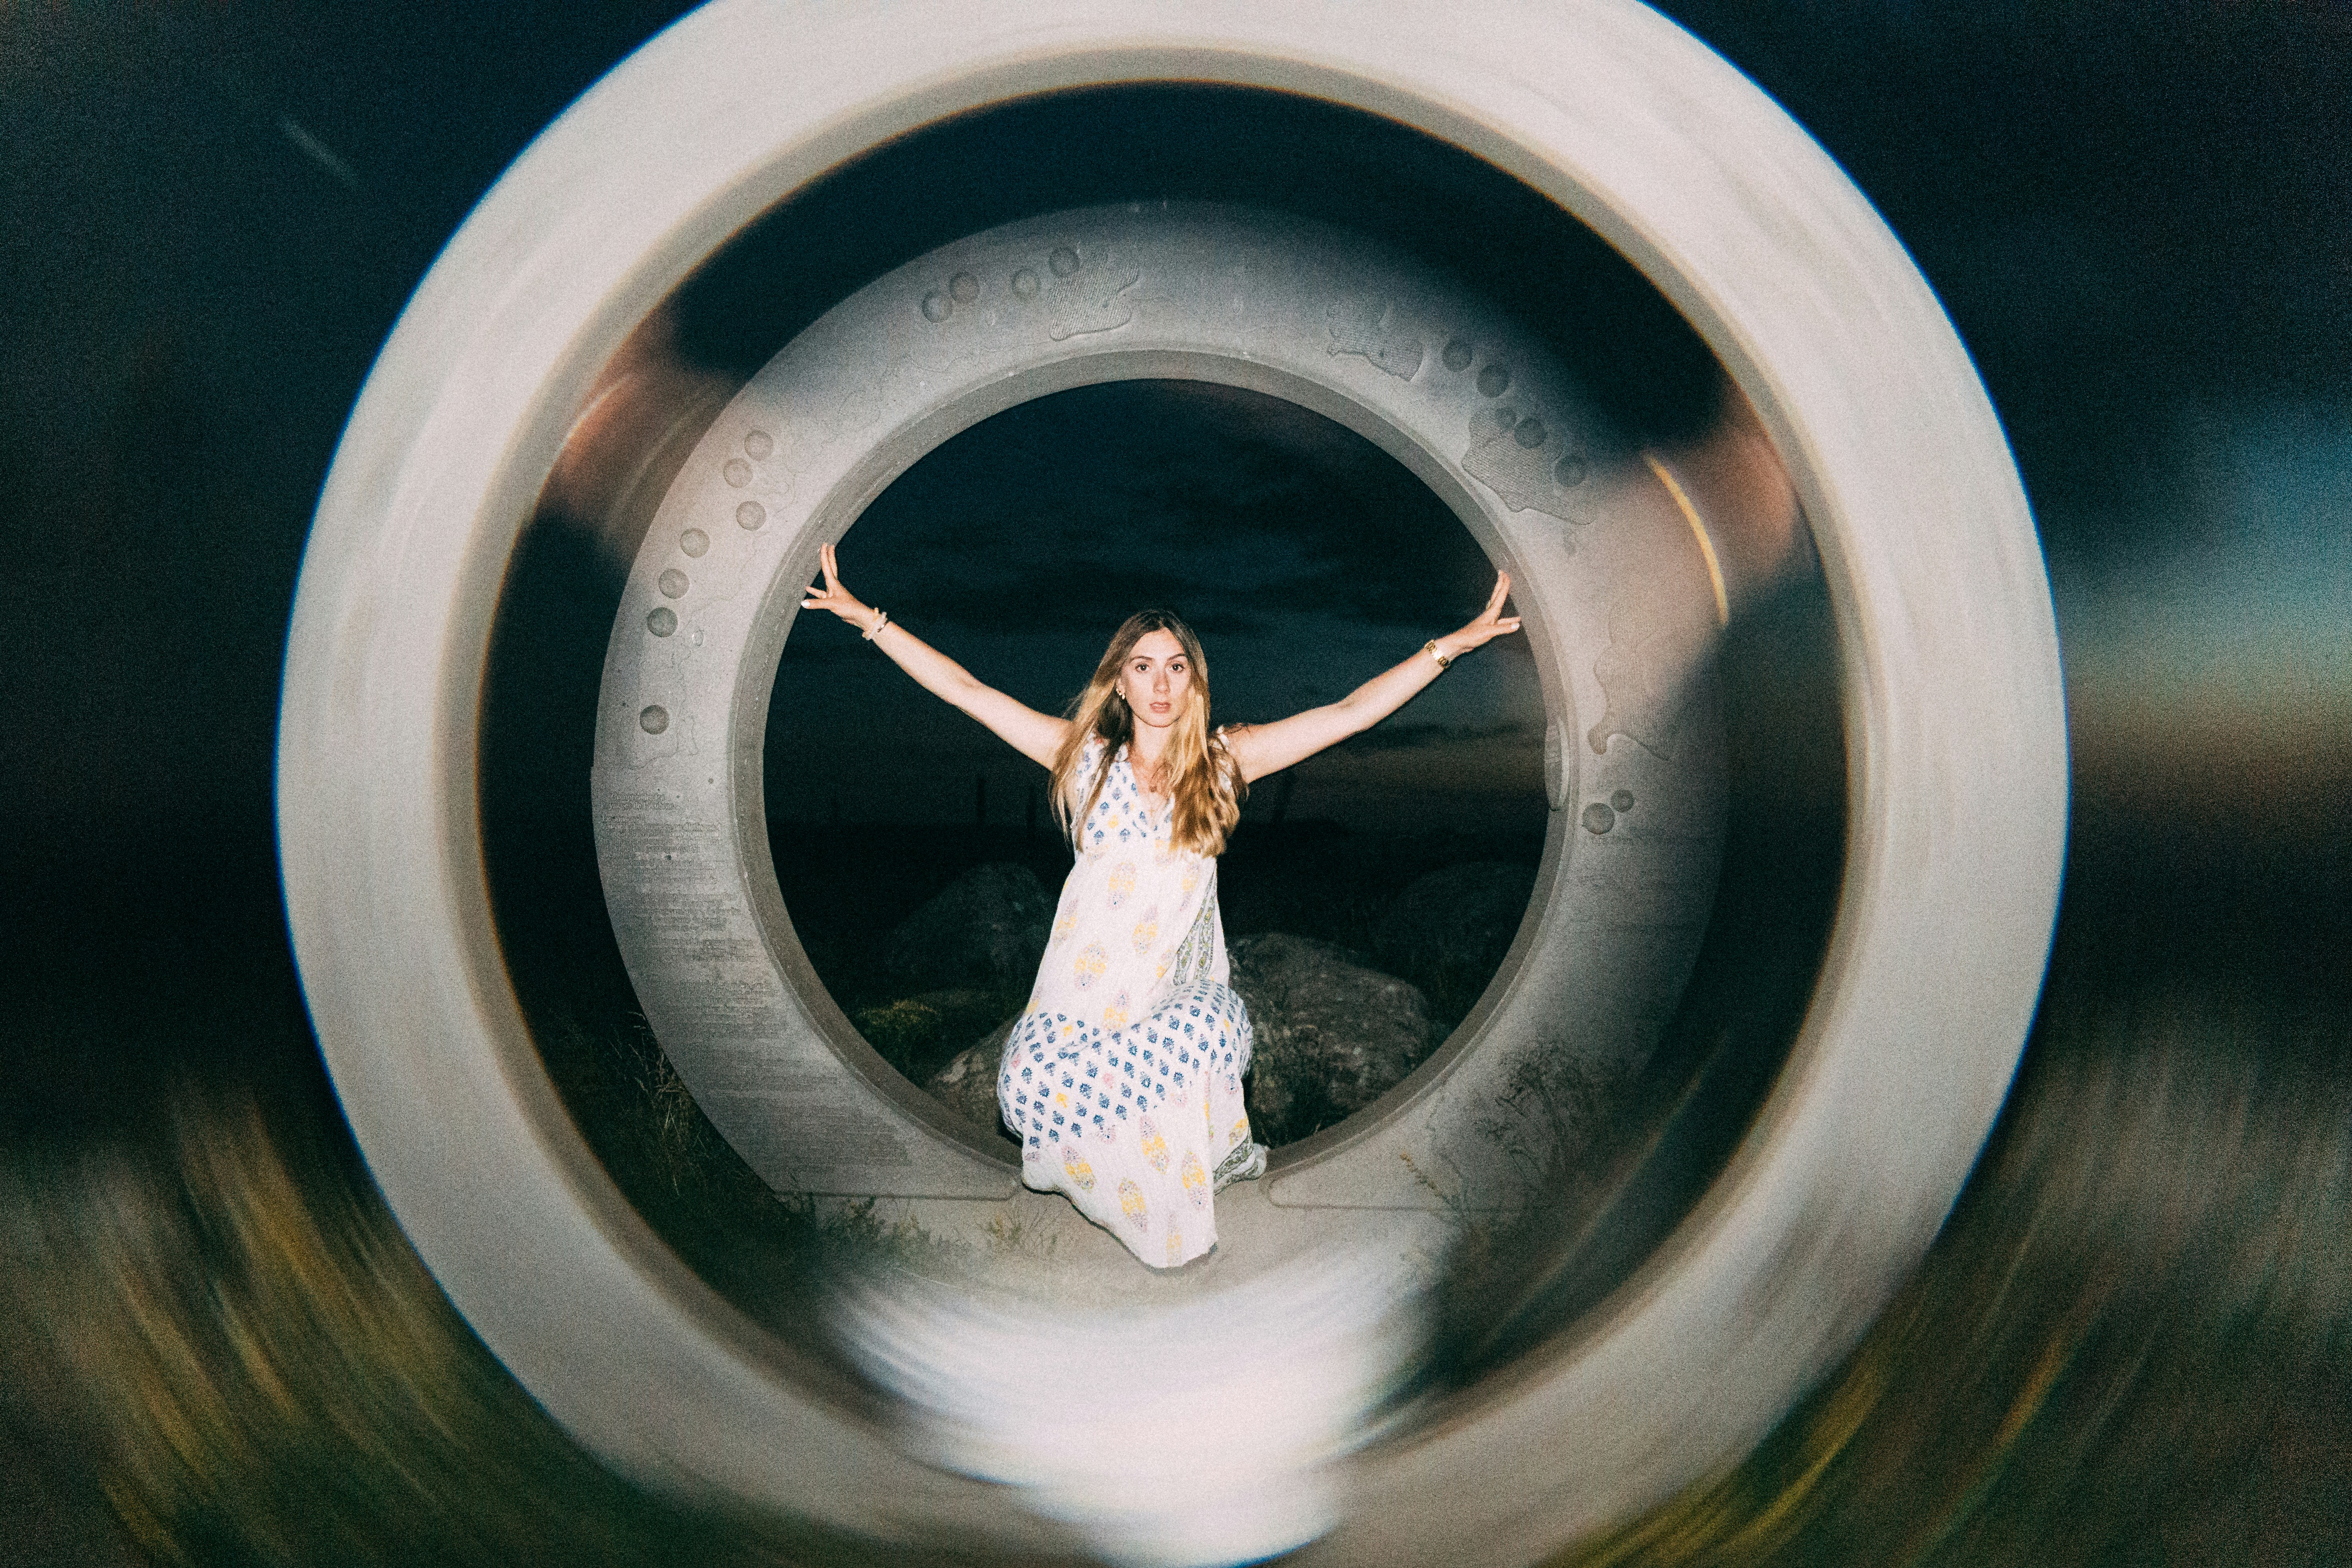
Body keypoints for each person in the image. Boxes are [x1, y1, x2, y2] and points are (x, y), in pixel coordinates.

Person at [801, 543, 1523, 1268]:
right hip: (1078, 1002)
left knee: (1212, 1032)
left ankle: (1187, 1161)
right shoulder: (1080, 761)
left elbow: (1351, 713)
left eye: (1176, 667)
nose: (1160, 684)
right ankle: (1141, 1159)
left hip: (1170, 1000)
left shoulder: (1224, 763)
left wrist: (1448, 648)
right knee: (1022, 1091)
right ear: (1120, 680)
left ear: (1193, 681)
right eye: (1143, 667)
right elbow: (967, 691)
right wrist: (870, 620)